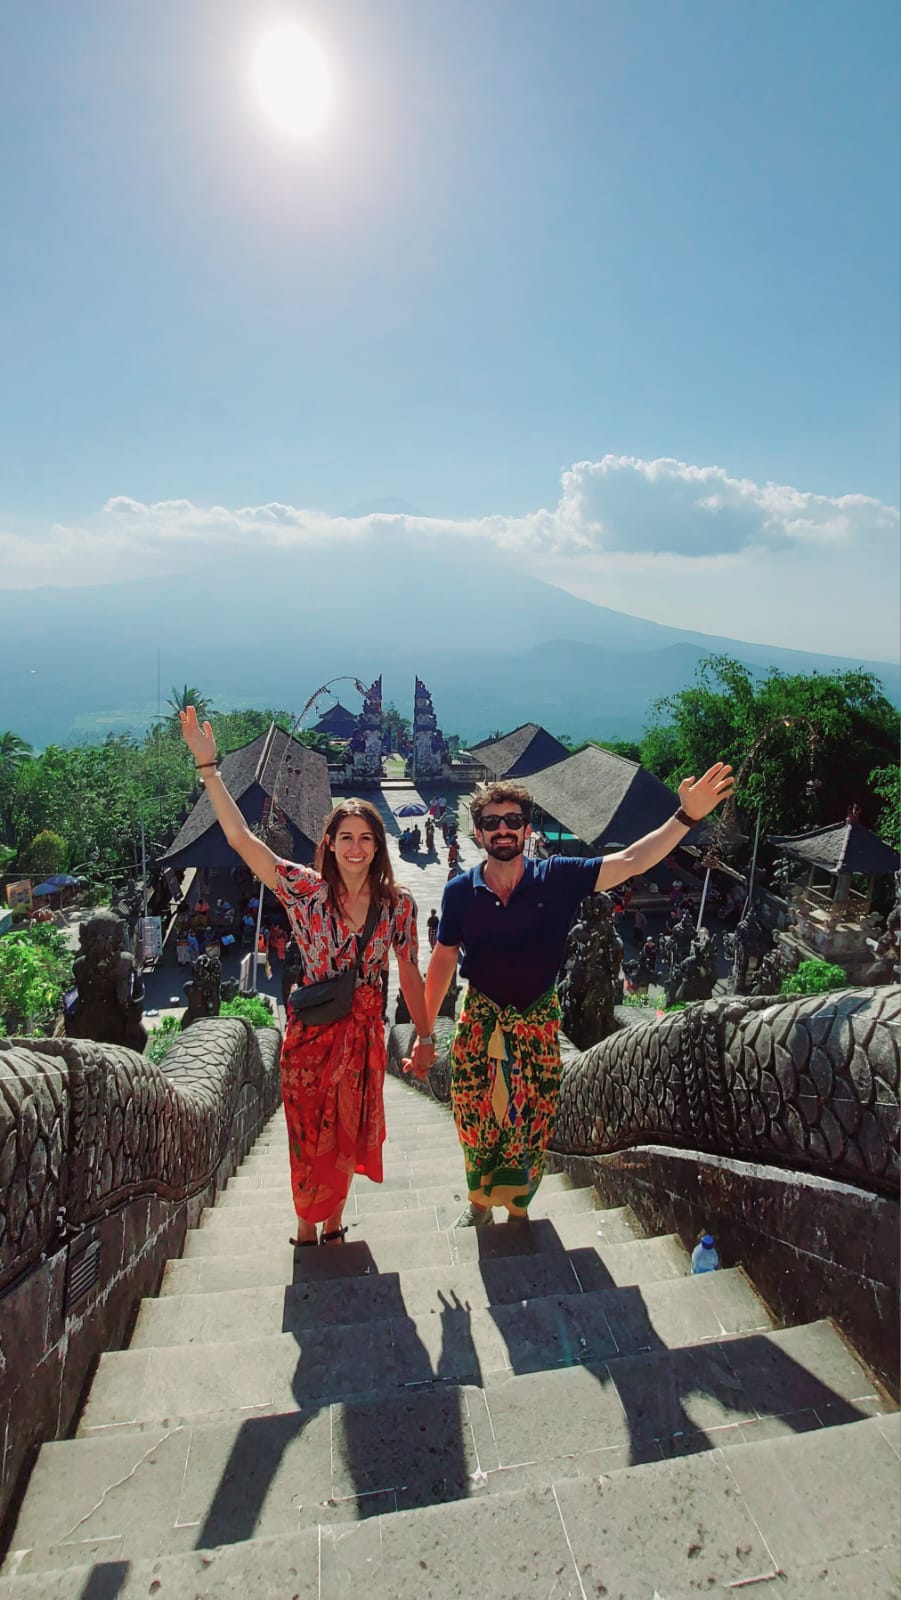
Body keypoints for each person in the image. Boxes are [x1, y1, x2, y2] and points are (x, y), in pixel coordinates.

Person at [408, 766, 734, 1227]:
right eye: (491, 822)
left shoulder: (556, 878)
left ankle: (518, 1206)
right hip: (480, 1017)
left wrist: (685, 816)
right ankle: (480, 1202)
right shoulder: (462, 891)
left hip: (537, 1019)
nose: (503, 829)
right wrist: (424, 1033)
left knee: (534, 1114)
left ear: (526, 826)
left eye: (512, 819)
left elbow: (631, 862)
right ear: (477, 833)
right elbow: (442, 961)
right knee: (473, 1112)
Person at [179, 706, 433, 1246]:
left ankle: (335, 1219)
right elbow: (243, 840)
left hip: (363, 1039)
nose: (356, 848)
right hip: (311, 1035)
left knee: (345, 1129)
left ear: (377, 846)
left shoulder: (398, 906)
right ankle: (304, 1220)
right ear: (330, 843)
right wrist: (209, 769)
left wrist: (427, 1036)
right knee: (305, 1128)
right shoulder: (304, 889)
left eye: (366, 838)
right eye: (346, 837)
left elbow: (410, 973)